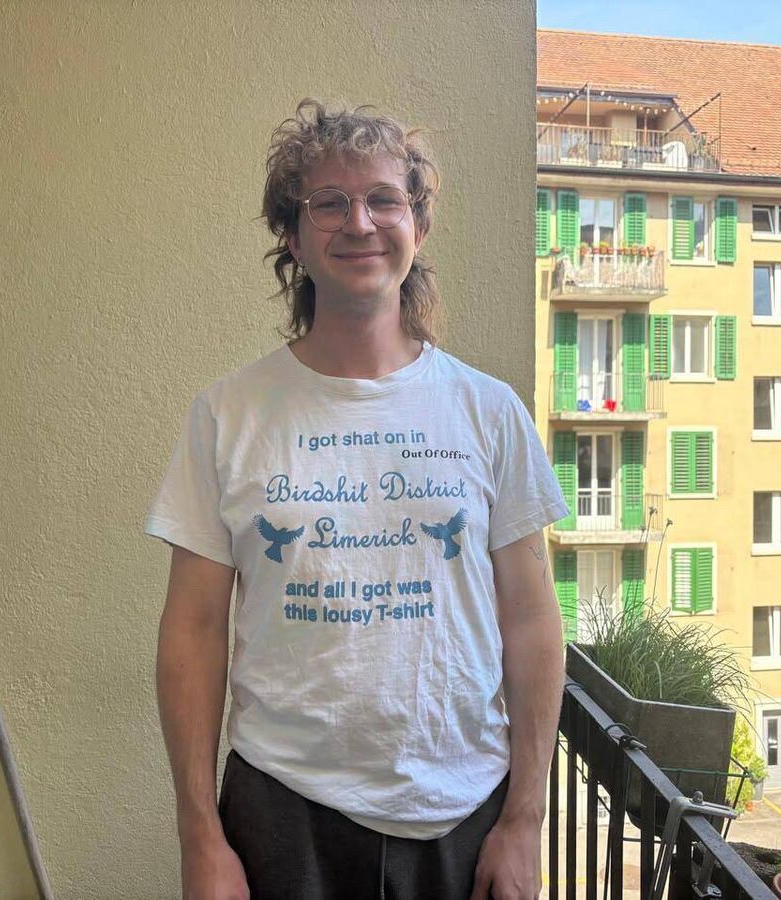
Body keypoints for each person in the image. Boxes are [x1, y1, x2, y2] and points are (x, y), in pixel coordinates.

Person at [146, 98, 568, 900]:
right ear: (293, 237)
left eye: (383, 199)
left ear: (419, 225)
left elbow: (531, 621)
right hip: (282, 813)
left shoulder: (488, 412)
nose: (360, 222)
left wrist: (525, 819)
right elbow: (193, 631)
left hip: (464, 813)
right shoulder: (228, 415)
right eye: (329, 203)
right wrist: (200, 836)